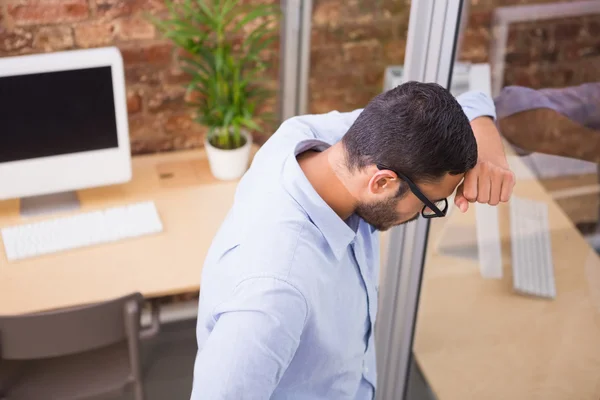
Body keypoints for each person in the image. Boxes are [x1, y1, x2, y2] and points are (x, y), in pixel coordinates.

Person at [190, 82, 515, 399]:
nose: (422, 214)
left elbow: (466, 104)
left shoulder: (327, 141)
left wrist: (488, 155)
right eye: (428, 204)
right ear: (383, 182)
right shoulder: (276, 293)